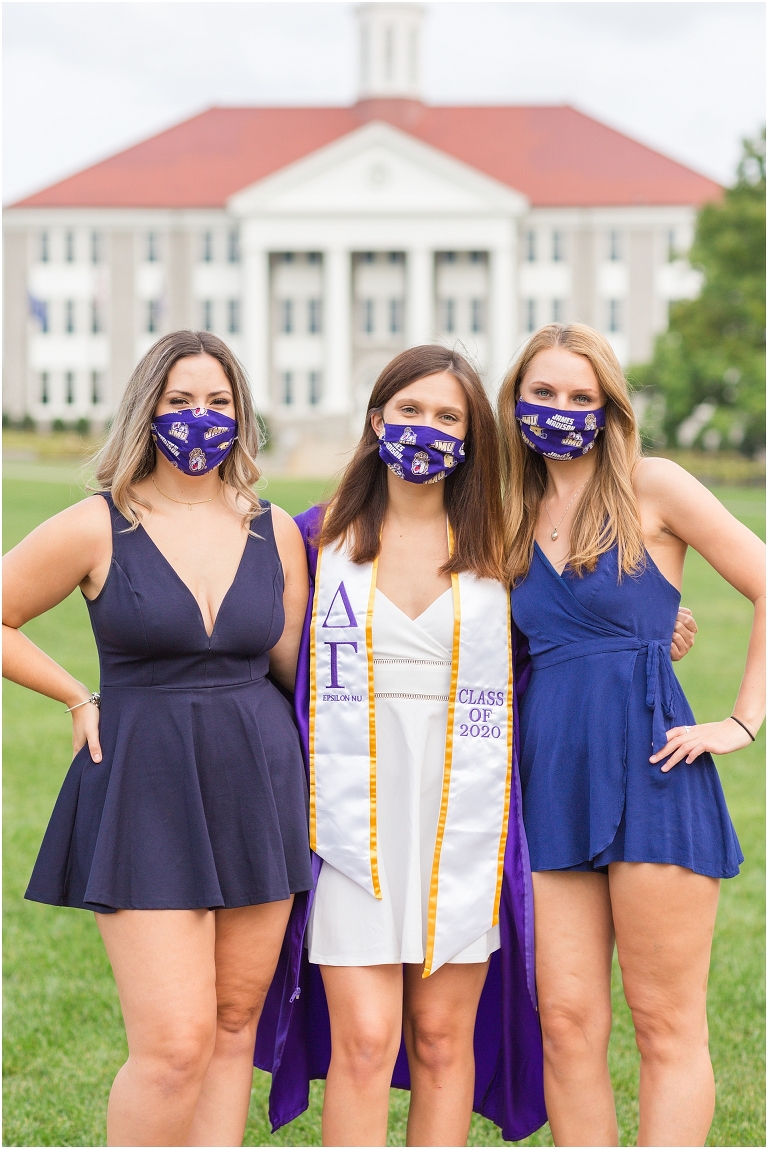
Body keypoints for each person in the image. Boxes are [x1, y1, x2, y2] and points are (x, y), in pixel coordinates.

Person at [3, 331, 314, 1148]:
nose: (200, 419)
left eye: (218, 402)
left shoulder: (273, 530)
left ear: (241, 416)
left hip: (258, 784)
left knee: (234, 1023)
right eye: (181, 401)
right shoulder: (98, 524)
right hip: (145, 788)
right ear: (149, 408)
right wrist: (74, 691)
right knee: (174, 1046)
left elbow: (301, 667)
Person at [256, 345, 547, 1147]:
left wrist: (659, 627)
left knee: (444, 1041)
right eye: (410, 410)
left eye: (449, 416)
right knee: (364, 1039)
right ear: (377, 418)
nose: (427, 429)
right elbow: (267, 657)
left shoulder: (505, 549)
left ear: (473, 436)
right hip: (355, 818)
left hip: (466, 816)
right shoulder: (318, 540)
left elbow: (567, 642)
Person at [497, 323, 765, 1147]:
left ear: (610, 408)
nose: (562, 410)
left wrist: (740, 723)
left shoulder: (654, 485)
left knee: (663, 1023)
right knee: (568, 1023)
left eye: (582, 397)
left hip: (655, 766)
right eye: (544, 393)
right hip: (550, 779)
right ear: (516, 399)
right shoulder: (503, 509)